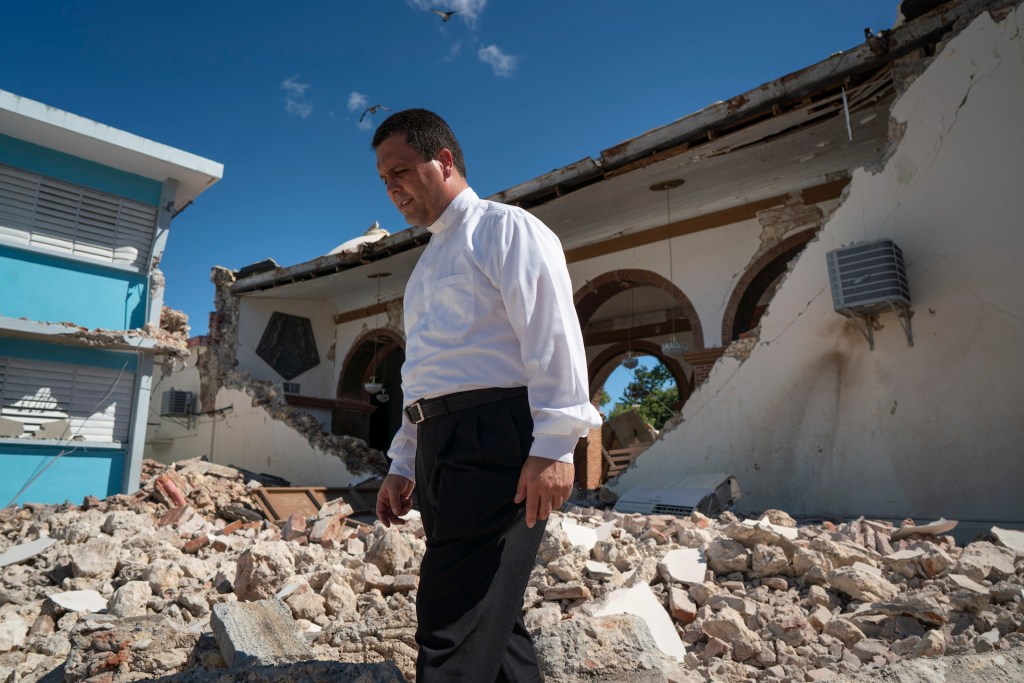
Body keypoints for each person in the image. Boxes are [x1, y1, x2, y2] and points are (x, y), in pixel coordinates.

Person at [372, 109, 601, 682]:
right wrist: (403, 462)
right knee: (490, 615)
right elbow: (422, 375)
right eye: (383, 179)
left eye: (401, 170)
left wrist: (554, 446)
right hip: (439, 445)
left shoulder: (505, 229)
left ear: (443, 161)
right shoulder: (424, 267)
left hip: (495, 437)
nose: (392, 187)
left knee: (449, 620)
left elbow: (552, 332)